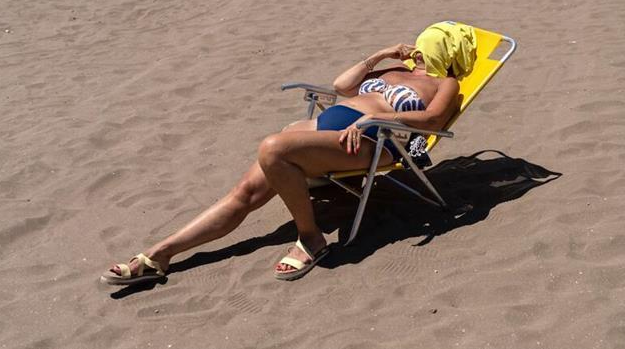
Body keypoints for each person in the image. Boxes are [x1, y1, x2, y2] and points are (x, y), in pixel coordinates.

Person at [101, 22, 477, 283]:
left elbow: (432, 120)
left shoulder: (445, 83)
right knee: (245, 193)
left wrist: (372, 121)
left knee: (274, 149)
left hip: (372, 143)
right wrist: (379, 55)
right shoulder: (394, 69)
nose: (418, 47)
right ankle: (161, 254)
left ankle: (311, 238)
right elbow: (341, 86)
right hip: (331, 129)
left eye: (428, 42)